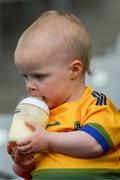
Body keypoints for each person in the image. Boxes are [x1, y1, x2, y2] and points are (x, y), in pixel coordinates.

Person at [7, 10, 120, 179]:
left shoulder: (94, 103)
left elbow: (95, 143)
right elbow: (27, 173)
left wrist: (48, 141)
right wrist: (22, 162)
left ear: (74, 70)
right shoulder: (38, 117)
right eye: (26, 76)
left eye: (39, 76)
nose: (30, 86)